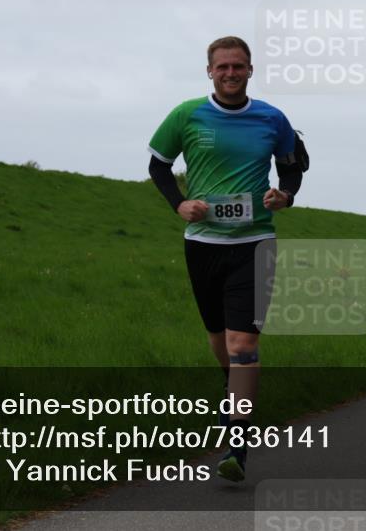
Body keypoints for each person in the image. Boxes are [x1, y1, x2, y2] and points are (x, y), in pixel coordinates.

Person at [147, 36, 304, 482]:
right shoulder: (187, 114)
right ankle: (232, 388)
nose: (231, 73)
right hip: (202, 243)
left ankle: (237, 443)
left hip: (255, 242)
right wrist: (178, 203)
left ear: (251, 70)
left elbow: (292, 165)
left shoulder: (271, 118)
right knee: (219, 338)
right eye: (223, 67)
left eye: (239, 66)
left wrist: (285, 194)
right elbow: (158, 165)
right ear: (210, 72)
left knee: (243, 344)